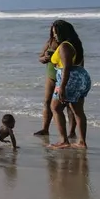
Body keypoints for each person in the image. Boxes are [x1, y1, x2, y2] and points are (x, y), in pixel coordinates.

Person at [48, 20, 91, 150]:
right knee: (78, 111)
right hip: (80, 77)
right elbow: (79, 63)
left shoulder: (65, 46)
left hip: (69, 79)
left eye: (56, 33)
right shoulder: (76, 44)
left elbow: (66, 67)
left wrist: (62, 87)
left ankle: (63, 140)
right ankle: (82, 142)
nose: (55, 36)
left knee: (55, 108)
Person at [35, 26, 75, 137]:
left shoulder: (69, 44)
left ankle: (71, 132)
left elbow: (76, 61)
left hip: (66, 76)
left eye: (57, 33)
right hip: (51, 74)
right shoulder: (50, 42)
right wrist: (44, 58)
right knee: (47, 101)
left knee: (69, 104)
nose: (55, 36)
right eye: (53, 33)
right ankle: (45, 129)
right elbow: (40, 57)